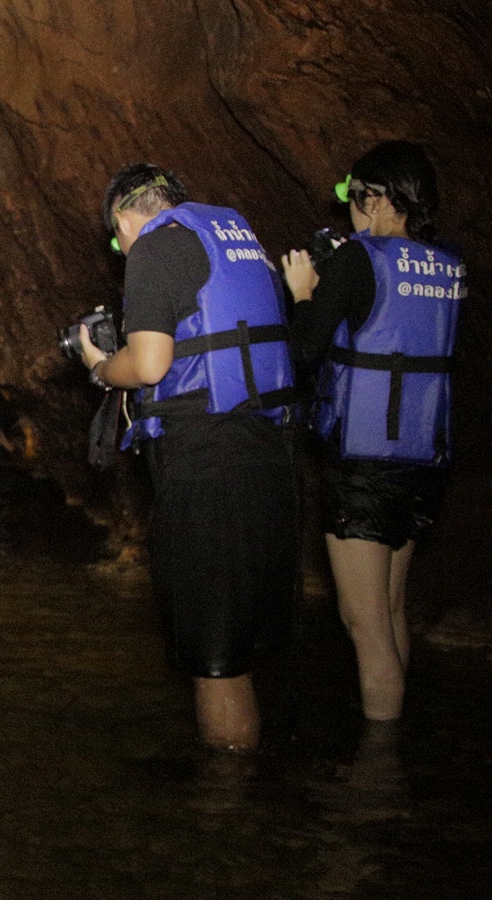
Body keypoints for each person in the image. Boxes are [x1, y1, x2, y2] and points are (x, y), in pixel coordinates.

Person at [79, 164, 299, 752]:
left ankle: (225, 814)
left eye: (114, 239)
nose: (121, 249)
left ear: (125, 218)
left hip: (208, 470)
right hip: (270, 461)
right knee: (246, 653)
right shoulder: (241, 246)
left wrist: (100, 367)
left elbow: (149, 366)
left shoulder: (155, 247)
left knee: (217, 661)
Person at [282, 141, 465, 722]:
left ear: (381, 198)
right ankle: (396, 754)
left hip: (365, 466)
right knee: (390, 612)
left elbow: (306, 350)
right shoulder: (447, 267)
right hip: (423, 462)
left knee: (364, 626)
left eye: (356, 198)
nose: (352, 212)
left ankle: (378, 773)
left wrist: (305, 292)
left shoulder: (358, 261)